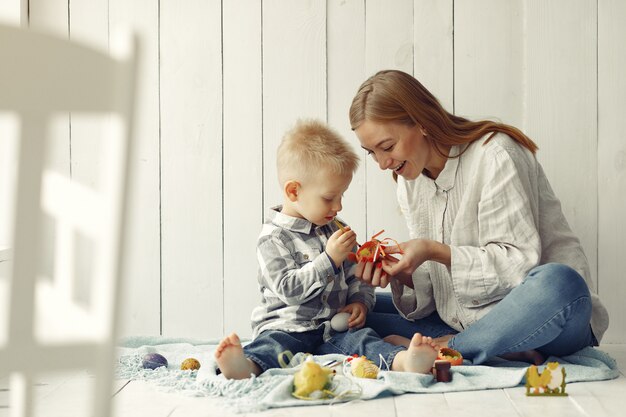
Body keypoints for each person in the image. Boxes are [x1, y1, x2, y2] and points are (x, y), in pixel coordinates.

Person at [348, 69, 609, 365]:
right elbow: (442, 296)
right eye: (372, 153)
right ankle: (492, 348)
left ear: (420, 122)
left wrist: (433, 251)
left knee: (560, 282)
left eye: (387, 147)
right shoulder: (409, 181)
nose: (383, 163)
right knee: (349, 310)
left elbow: (517, 266)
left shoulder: (496, 154)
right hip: (467, 321)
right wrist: (403, 273)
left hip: (552, 316)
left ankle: (453, 348)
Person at [215, 119, 439, 379]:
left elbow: (357, 275)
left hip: (335, 329)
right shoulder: (273, 239)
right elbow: (289, 289)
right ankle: (245, 366)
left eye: (341, 196)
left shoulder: (335, 229)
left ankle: (404, 361)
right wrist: (329, 259)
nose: (338, 206)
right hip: (288, 327)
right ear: (293, 191)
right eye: (329, 198)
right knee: (273, 347)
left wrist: (359, 302)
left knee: (365, 341)